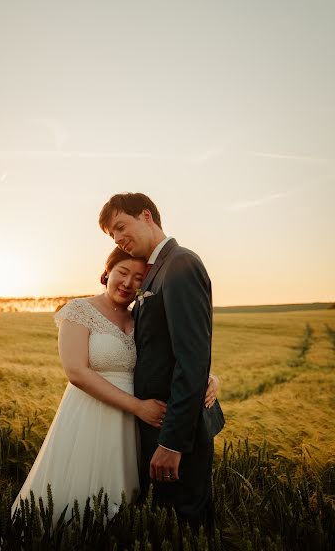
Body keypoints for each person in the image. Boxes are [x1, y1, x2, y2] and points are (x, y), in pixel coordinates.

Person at [11, 247, 220, 525]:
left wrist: (208, 377)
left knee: (121, 496)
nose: (128, 283)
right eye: (122, 273)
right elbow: (76, 372)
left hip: (131, 424)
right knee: (79, 490)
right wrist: (138, 407)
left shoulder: (140, 317)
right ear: (106, 272)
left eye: (138, 278)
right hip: (91, 413)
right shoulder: (79, 310)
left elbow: (171, 355)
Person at [99, 192, 225, 528]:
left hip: (177, 431)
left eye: (121, 226)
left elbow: (192, 355)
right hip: (155, 426)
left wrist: (172, 442)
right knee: (168, 524)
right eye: (112, 235)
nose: (119, 239)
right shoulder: (156, 270)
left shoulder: (180, 263)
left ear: (146, 216)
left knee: (186, 525)